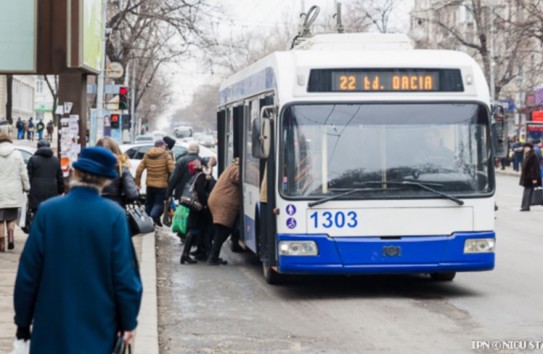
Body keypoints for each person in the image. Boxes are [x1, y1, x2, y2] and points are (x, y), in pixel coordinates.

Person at [13, 146, 143, 352]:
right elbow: (125, 276)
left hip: (51, 322)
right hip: (99, 324)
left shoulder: (48, 212)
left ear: (75, 173)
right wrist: (128, 321)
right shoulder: (113, 216)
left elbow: (28, 273)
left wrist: (22, 322)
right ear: (105, 180)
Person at [0, 126, 30, 251]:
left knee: (0, 219)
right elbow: (23, 173)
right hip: (14, 189)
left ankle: (1, 242)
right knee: (11, 216)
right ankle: (11, 236)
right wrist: (27, 187)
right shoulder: (17, 153)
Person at [207, 158, 240, 265]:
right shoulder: (236, 169)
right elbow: (241, 178)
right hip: (224, 202)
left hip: (219, 200)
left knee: (221, 229)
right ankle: (212, 257)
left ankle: (211, 255)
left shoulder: (232, 167)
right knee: (223, 230)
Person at [26, 140, 64, 232]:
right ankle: (49, 231)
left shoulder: (33, 159)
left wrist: (27, 189)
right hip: (52, 190)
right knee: (50, 212)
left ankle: (36, 232)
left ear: (38, 147)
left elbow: (28, 176)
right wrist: (60, 190)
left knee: (36, 212)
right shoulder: (55, 160)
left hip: (36, 190)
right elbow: (60, 177)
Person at [135, 139, 174, 227]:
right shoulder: (166, 155)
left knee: (148, 203)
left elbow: (138, 170)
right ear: (161, 146)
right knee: (158, 204)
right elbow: (172, 171)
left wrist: (138, 183)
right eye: (164, 145)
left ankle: (146, 223)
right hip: (161, 185)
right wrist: (172, 184)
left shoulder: (147, 155)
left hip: (149, 185)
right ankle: (153, 217)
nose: (165, 147)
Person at [96, 136, 139, 207]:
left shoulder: (89, 168)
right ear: (116, 150)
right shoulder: (121, 168)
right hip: (115, 209)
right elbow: (132, 195)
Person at [519, 142, 542, 211]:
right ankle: (525, 206)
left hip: (530, 178)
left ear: (529, 148)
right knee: (527, 192)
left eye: (525, 147)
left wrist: (534, 178)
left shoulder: (532, 155)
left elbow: (534, 168)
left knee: (528, 192)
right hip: (527, 178)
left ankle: (525, 207)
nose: (524, 149)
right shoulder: (528, 154)